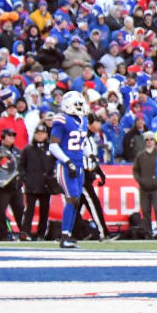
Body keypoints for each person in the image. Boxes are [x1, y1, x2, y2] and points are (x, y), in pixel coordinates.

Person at [49, 91, 90, 249]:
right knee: (72, 199)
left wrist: (90, 155)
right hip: (65, 165)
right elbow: (53, 145)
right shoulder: (62, 119)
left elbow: (82, 142)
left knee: (77, 200)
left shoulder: (83, 120)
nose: (79, 108)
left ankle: (68, 234)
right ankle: (64, 236)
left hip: (79, 164)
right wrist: (67, 161)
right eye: (76, 105)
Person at [20, 123, 54, 240]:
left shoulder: (51, 149)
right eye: (38, 133)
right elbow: (21, 166)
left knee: (44, 211)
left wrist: (52, 179)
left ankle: (41, 234)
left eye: (42, 133)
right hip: (31, 185)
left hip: (45, 185)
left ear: (46, 134)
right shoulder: (27, 149)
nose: (40, 136)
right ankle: (25, 232)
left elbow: (55, 165)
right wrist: (25, 179)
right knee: (29, 210)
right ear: (34, 135)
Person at [132, 131, 157, 238]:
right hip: (144, 187)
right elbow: (135, 170)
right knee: (145, 211)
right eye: (147, 140)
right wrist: (140, 180)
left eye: (151, 139)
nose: (149, 142)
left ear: (154, 141)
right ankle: (147, 231)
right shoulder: (140, 155)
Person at [0, 127, 23, 240]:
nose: (12, 138)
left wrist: (21, 180)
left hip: (15, 186)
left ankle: (23, 233)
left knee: (20, 209)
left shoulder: (17, 151)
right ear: (3, 137)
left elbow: (21, 167)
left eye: (13, 136)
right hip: (1, 187)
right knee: (1, 212)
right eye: (9, 135)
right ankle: (2, 235)